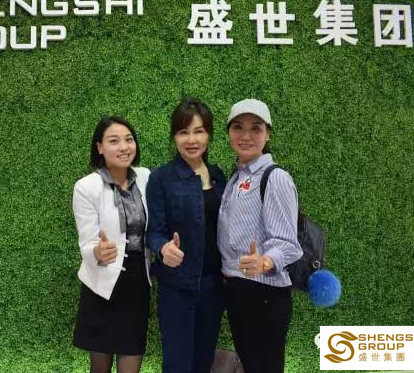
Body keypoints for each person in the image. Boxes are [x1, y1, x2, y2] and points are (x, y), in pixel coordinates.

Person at [217, 99, 303, 373]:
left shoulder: (275, 177)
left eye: (256, 128)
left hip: (264, 294)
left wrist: (264, 262)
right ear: (229, 133)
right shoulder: (237, 177)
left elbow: (289, 244)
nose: (246, 135)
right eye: (238, 127)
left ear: (268, 135)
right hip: (239, 291)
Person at [146, 98, 227, 373]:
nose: (191, 140)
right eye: (183, 132)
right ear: (174, 137)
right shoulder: (160, 178)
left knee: (204, 361)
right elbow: (153, 232)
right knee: (177, 364)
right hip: (176, 287)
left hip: (213, 287)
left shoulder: (218, 176)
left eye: (199, 131)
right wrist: (163, 248)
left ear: (209, 135)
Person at [72, 116, 152, 373]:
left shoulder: (146, 177)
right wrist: (97, 251)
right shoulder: (86, 187)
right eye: (114, 141)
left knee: (132, 355)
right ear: (100, 147)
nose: (124, 147)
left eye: (129, 139)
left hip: (138, 282)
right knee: (100, 365)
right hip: (102, 284)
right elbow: (87, 242)